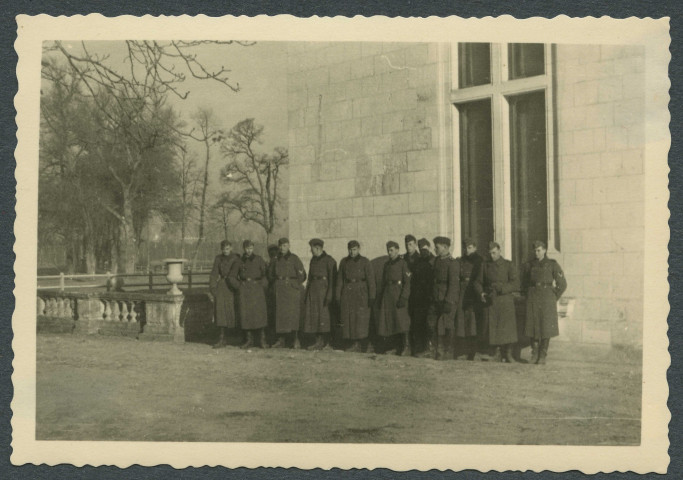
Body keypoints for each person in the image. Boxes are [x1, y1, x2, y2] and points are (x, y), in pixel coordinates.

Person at [521, 240, 567, 365]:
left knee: (546, 327)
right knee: (533, 326)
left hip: (547, 299)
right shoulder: (529, 265)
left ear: (545, 250)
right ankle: (534, 354)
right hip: (533, 298)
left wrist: (553, 297)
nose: (536, 253)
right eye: (535, 250)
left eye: (539, 250)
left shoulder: (552, 264)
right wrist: (528, 295)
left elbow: (562, 284)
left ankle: (543, 355)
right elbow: (523, 284)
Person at [474, 242, 519, 362]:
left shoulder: (508, 265)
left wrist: (503, 288)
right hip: (491, 300)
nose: (492, 256)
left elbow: (515, 283)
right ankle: (496, 353)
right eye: (490, 253)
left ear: (499, 251)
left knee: (508, 328)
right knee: (493, 327)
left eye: (494, 253)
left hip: (505, 300)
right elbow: (478, 282)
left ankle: (509, 354)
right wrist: (481, 293)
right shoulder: (485, 265)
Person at [335, 240, 376, 353]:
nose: (352, 252)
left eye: (354, 250)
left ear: (358, 249)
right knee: (349, 319)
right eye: (350, 250)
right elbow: (340, 281)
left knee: (361, 319)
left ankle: (362, 344)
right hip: (347, 293)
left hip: (361, 292)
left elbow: (371, 281)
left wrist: (372, 296)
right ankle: (352, 343)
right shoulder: (344, 262)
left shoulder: (365, 262)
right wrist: (338, 296)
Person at [228, 240, 269, 349]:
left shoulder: (259, 259)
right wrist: (239, 287)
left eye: (250, 248)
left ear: (253, 248)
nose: (249, 250)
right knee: (246, 315)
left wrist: (263, 286)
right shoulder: (239, 261)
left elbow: (266, 275)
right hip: (245, 291)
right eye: (247, 248)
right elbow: (232, 277)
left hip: (257, 290)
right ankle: (248, 340)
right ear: (243, 249)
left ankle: (262, 340)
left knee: (260, 315)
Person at [268, 238, 307, 348]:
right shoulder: (275, 260)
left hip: (291, 290)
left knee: (293, 315)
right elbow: (270, 275)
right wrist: (276, 284)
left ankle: (295, 340)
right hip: (279, 290)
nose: (282, 248)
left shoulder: (294, 258)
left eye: (284, 245)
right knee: (280, 315)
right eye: (280, 246)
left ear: (289, 246)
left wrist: (294, 285)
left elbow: (302, 275)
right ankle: (281, 340)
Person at [375, 241, 412, 355]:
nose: (389, 252)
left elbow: (407, 282)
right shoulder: (387, 264)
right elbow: (384, 281)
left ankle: (406, 347)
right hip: (388, 295)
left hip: (398, 294)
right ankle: (395, 347)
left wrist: (404, 297)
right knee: (390, 321)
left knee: (402, 321)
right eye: (388, 250)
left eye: (391, 250)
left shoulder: (403, 263)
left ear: (397, 250)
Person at [426, 236, 459, 360]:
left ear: (445, 247)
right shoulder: (435, 261)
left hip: (446, 298)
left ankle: (448, 350)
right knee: (432, 324)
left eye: (437, 247)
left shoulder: (453, 263)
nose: (435, 249)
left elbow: (454, 284)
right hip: (435, 297)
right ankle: (435, 349)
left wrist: (449, 301)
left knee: (447, 325)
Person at [303, 238, 337, 351]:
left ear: (318, 248)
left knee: (324, 317)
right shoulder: (313, 260)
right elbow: (309, 278)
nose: (310, 251)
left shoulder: (330, 261)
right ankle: (318, 341)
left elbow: (333, 281)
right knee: (314, 317)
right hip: (313, 292)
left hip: (323, 292)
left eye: (311, 248)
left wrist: (329, 295)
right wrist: (307, 292)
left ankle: (325, 342)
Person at [454, 237, 484, 360]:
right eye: (465, 248)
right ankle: (463, 350)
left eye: (470, 248)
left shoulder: (479, 261)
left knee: (472, 323)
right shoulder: (461, 260)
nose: (467, 250)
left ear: (475, 248)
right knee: (462, 322)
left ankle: (473, 351)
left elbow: (479, 279)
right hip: (462, 291)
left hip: (473, 292)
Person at [209, 240, 240, 349]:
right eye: (223, 249)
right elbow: (214, 274)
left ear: (231, 248)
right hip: (222, 286)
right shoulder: (218, 258)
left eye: (227, 249)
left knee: (233, 311)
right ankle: (222, 338)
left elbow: (237, 273)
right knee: (220, 312)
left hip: (232, 287)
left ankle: (237, 338)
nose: (225, 251)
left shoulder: (236, 258)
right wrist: (213, 288)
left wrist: (238, 287)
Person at [410, 238, 435, 356]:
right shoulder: (417, 262)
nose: (423, 251)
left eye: (425, 249)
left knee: (429, 324)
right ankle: (420, 348)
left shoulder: (434, 261)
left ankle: (430, 347)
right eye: (421, 249)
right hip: (418, 298)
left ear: (429, 248)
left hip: (430, 297)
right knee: (419, 323)